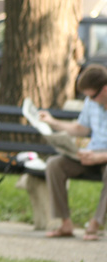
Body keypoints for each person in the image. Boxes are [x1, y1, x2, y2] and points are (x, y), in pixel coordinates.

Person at [39, 64, 107, 241]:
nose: (89, 100)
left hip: (103, 157)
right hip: (91, 154)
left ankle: (95, 224)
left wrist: (99, 157)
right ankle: (65, 223)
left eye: (92, 96)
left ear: (105, 89)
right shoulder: (91, 102)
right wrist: (53, 123)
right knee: (55, 164)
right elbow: (80, 128)